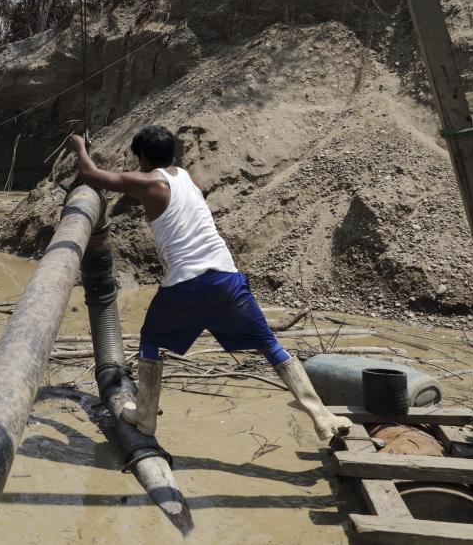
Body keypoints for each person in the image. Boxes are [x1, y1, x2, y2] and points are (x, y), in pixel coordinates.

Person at [68, 126, 350, 441]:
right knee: (269, 343)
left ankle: (145, 417)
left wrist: (80, 146)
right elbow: (197, 195)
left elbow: (93, 175)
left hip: (187, 282)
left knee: (150, 339)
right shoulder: (185, 177)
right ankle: (322, 416)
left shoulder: (150, 181)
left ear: (144, 158)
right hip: (227, 277)